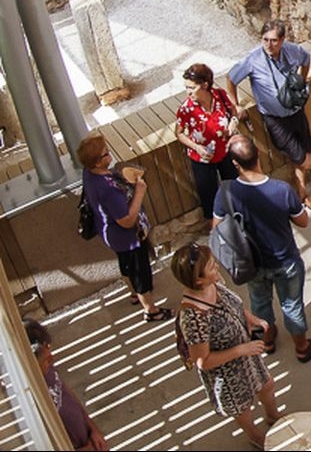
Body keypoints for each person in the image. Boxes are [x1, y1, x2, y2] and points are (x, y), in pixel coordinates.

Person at [218, 134, 311, 363]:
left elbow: (217, 227)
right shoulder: (282, 190)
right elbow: (303, 221)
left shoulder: (225, 192)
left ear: (235, 164)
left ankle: (267, 341)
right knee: (292, 305)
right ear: (259, 154)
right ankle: (302, 347)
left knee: (259, 302)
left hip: (252, 263)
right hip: (285, 260)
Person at [170, 243, 282, 450]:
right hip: (227, 373)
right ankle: (255, 436)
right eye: (212, 267)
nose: (217, 268)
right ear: (198, 280)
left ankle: (272, 415)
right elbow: (203, 361)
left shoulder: (213, 284)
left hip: (246, 353)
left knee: (266, 385)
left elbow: (234, 305)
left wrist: (251, 319)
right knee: (243, 407)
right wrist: (242, 350)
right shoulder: (193, 318)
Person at [227, 20, 311, 213]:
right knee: (298, 154)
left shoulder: (292, 50)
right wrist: (236, 104)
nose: (268, 45)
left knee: (301, 151)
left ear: (282, 40)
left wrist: (302, 81)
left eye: (274, 40)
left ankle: (302, 194)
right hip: (275, 119)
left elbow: (306, 58)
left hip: (296, 110)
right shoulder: (253, 59)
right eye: (265, 40)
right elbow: (231, 79)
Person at [78, 132, 171, 323]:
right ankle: (150, 309)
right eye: (106, 153)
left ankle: (134, 294)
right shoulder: (107, 189)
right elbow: (127, 220)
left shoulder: (89, 174)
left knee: (126, 265)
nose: (109, 153)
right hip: (128, 237)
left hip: (111, 235)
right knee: (140, 272)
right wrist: (139, 191)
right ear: (97, 162)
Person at [24, 319, 108, 451]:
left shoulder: (48, 370)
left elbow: (68, 395)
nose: (52, 358)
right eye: (45, 359)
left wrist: (93, 430)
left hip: (88, 440)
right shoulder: (31, 400)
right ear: (30, 364)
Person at [175, 62, 240, 220]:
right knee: (209, 197)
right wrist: (196, 147)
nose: (188, 92)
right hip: (203, 159)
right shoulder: (186, 109)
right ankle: (216, 229)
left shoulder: (220, 95)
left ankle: (238, 219)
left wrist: (232, 125)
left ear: (204, 85)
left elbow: (234, 113)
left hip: (224, 152)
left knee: (234, 187)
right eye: (186, 87)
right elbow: (179, 133)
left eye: (192, 87)